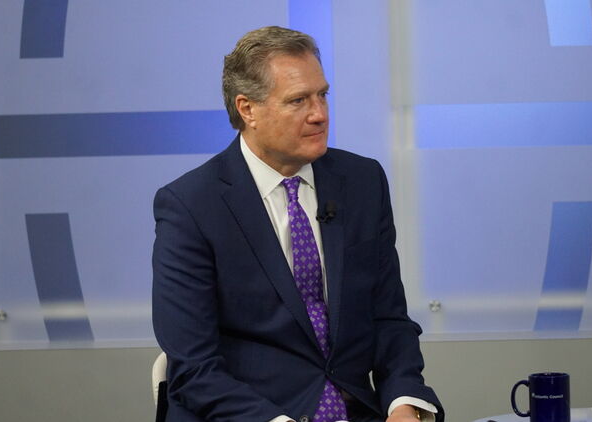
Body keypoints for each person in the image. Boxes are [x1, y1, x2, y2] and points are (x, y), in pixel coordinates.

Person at [152, 26, 444, 422]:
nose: (319, 114)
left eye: (322, 95)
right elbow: (193, 368)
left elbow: (388, 318)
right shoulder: (190, 206)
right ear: (247, 109)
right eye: (298, 100)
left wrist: (403, 402)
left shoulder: (363, 182)